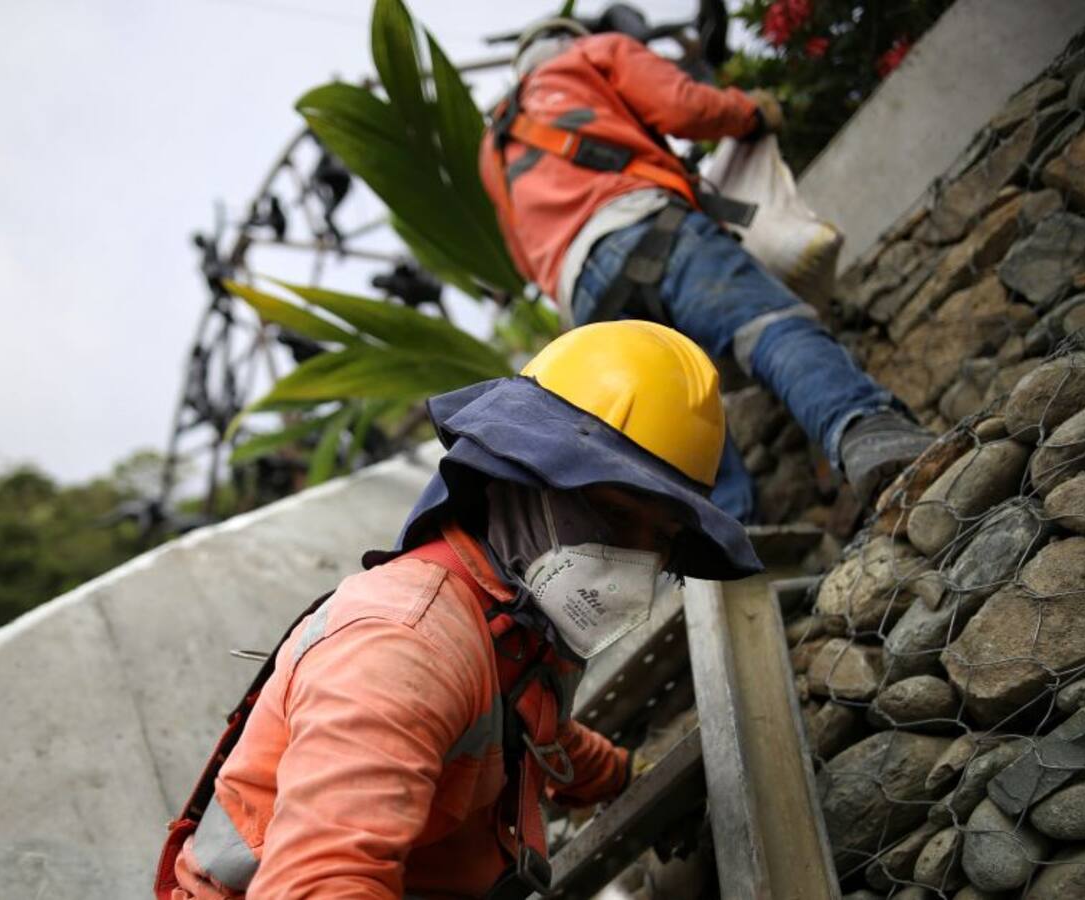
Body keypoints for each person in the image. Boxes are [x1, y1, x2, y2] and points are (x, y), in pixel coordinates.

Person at [156, 320, 763, 899]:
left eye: (659, 538)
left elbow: (536, 729)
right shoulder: (403, 646)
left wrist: (628, 775)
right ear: (516, 479)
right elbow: (321, 880)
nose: (633, 555)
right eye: (613, 514)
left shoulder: (512, 625)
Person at [479, 18, 933, 521]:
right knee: (769, 329)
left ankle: (732, 551)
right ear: (568, 40)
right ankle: (870, 433)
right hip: (654, 225)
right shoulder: (592, 55)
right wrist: (752, 112)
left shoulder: (493, 150)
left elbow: (523, 258)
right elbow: (685, 107)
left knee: (675, 428)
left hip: (586, 298)